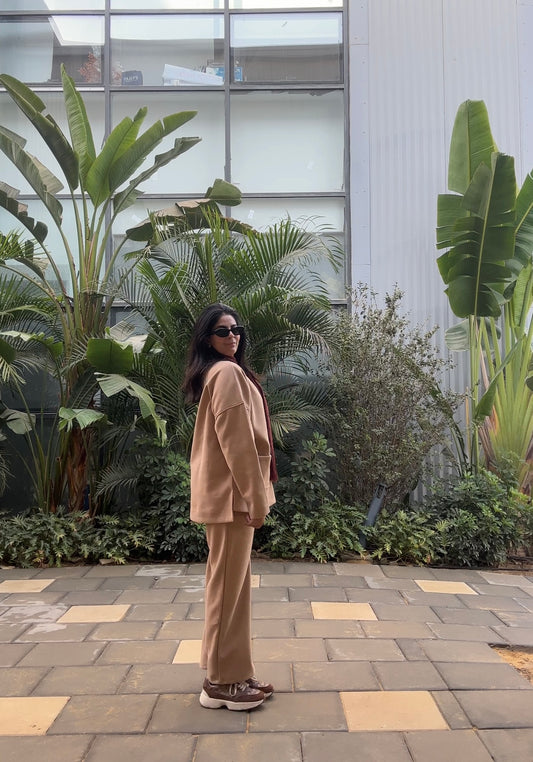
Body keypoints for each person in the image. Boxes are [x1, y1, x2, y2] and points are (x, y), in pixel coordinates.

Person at [183, 303, 277, 711]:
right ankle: (221, 682)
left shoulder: (224, 371)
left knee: (232, 591)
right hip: (232, 498)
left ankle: (234, 670)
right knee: (226, 590)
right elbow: (237, 442)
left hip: (230, 496)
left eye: (237, 329)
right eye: (223, 331)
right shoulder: (225, 373)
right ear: (208, 339)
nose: (233, 336)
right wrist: (256, 498)